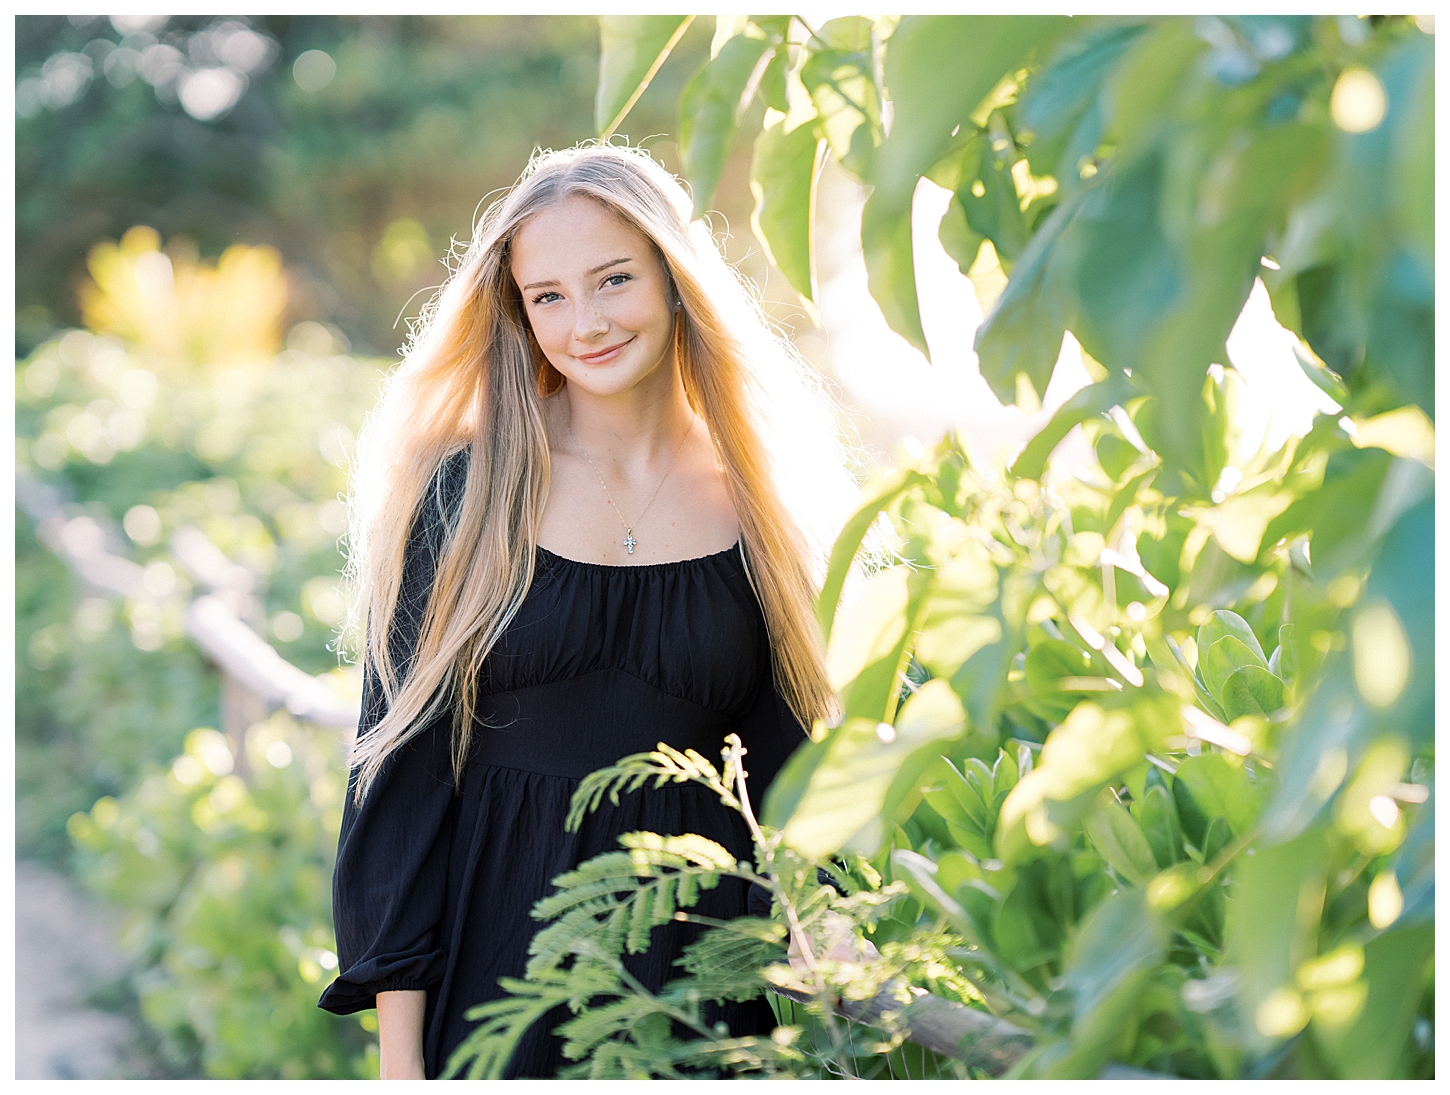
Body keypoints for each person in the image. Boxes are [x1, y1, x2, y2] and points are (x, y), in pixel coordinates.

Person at [316, 144, 858, 1079]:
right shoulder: (465, 495)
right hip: (492, 985)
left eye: (614, 280)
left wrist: (841, 944)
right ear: (520, 313)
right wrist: (402, 1070)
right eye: (550, 296)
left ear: (676, 280)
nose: (587, 323)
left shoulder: (763, 510)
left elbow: (791, 781)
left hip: (693, 994)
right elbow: (400, 785)